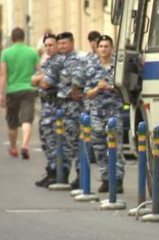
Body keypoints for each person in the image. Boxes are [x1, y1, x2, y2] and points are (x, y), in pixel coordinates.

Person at [43, 32, 84, 189]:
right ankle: (63, 175)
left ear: (72, 43)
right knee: (65, 142)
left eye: (64, 44)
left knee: (74, 142)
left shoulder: (76, 60)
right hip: (63, 107)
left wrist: (74, 90)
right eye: (59, 44)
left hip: (73, 107)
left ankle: (80, 177)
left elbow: (78, 79)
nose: (61, 47)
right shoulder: (60, 61)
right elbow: (46, 78)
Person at [85, 35, 125, 193]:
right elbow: (87, 92)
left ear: (112, 48)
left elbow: (124, 89)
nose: (103, 49)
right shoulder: (92, 66)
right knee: (100, 148)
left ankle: (118, 179)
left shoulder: (118, 67)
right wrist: (97, 89)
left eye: (106, 46)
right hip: (97, 113)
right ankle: (106, 179)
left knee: (116, 146)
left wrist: (109, 87)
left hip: (114, 112)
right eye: (101, 46)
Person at [0, 27, 40, 160]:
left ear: (12, 38)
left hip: (12, 90)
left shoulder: (6, 53)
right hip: (28, 89)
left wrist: (1, 93)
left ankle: (14, 147)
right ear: (24, 37)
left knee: (12, 121)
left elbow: (3, 75)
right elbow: (39, 71)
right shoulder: (32, 52)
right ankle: (25, 145)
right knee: (27, 118)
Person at [32, 33, 62, 187]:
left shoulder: (58, 62)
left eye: (51, 45)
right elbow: (34, 80)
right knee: (45, 141)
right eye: (47, 46)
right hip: (46, 107)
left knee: (53, 141)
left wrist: (40, 78)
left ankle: (56, 172)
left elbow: (44, 84)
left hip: (55, 108)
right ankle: (51, 170)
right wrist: (40, 78)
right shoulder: (47, 62)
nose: (49, 48)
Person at [83, 31, 102, 164]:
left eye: (95, 41)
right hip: (89, 100)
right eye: (91, 41)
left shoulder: (106, 57)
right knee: (89, 129)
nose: (93, 44)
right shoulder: (88, 58)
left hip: (103, 100)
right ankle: (91, 155)